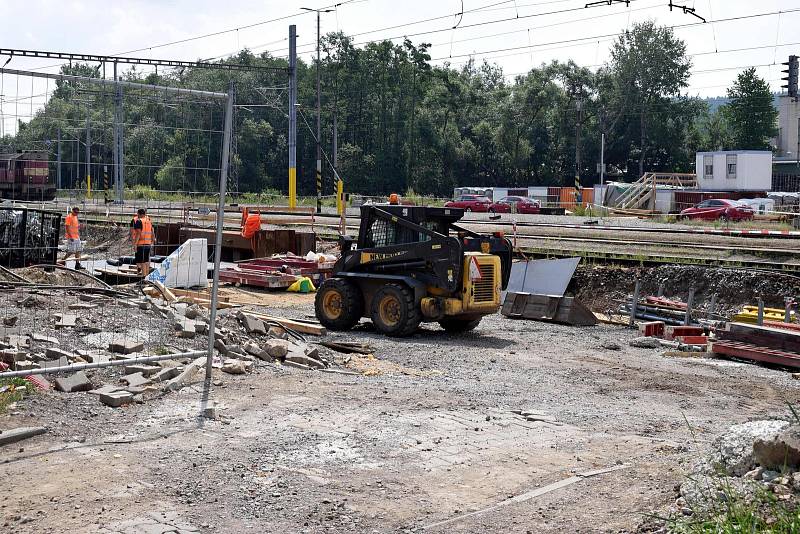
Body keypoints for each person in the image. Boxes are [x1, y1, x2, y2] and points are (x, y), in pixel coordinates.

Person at [130, 208, 153, 277]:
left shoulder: (139, 221)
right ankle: (147, 275)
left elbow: (138, 234)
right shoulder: (148, 220)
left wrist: (135, 244)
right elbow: (152, 231)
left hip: (141, 244)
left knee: (142, 261)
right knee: (146, 260)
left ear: (138, 214)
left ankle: (144, 276)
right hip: (148, 243)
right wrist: (152, 239)